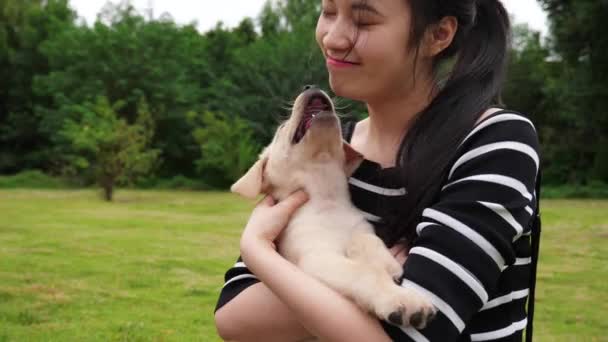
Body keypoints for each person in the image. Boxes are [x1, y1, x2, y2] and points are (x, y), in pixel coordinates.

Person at [214, 0, 541, 341]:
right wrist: (372, 281)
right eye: (327, 12)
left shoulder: (493, 142)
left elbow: (415, 324)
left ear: (438, 35)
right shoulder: (333, 155)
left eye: (364, 21)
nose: (333, 39)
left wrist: (264, 255)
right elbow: (234, 318)